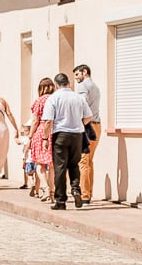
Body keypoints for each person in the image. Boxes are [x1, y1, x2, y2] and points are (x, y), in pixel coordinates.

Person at [41, 73, 92, 210]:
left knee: (60, 168)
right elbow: (88, 117)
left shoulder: (53, 98)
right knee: (74, 165)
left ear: (56, 85)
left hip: (60, 134)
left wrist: (45, 138)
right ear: (69, 83)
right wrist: (79, 123)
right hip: (77, 135)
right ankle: (75, 189)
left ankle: (61, 201)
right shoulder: (78, 97)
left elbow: (48, 121)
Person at [74, 63, 101, 204]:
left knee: (83, 161)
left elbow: (81, 103)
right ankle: (88, 193)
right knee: (89, 161)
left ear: (85, 72)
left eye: (77, 75)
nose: (76, 78)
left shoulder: (83, 86)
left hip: (87, 126)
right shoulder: (95, 86)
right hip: (97, 126)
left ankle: (84, 195)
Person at [28, 77, 55, 201]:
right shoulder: (56, 99)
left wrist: (30, 136)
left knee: (39, 163)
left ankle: (45, 187)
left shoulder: (39, 101)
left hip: (41, 131)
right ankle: (52, 191)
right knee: (52, 165)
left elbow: (35, 121)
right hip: (55, 131)